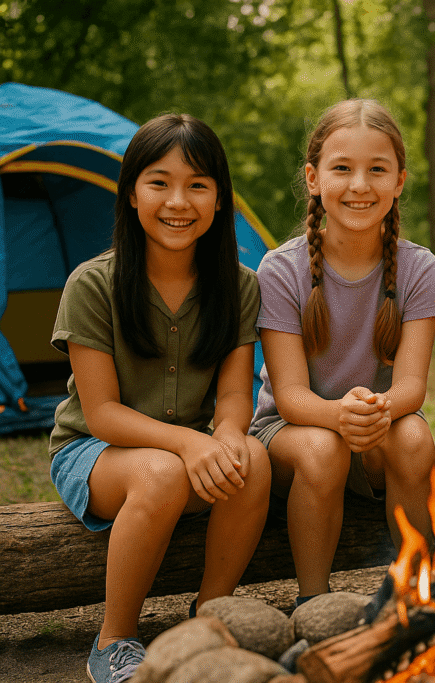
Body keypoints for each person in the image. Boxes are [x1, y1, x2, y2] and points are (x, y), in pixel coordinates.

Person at [48, 113, 271, 683]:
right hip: (95, 451)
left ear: (219, 199)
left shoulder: (240, 285)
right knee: (162, 473)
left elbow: (234, 393)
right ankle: (113, 640)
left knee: (252, 457)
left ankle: (209, 617)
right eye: (159, 182)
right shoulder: (92, 284)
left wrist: (225, 434)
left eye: (197, 184)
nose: (178, 201)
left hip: (186, 448)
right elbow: (101, 413)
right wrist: (188, 445)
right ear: (131, 193)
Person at [250, 99, 435, 606]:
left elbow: (411, 388)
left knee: (415, 438)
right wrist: (340, 415)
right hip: (293, 436)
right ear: (313, 178)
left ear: (399, 181)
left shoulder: (420, 269)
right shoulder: (281, 270)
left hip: (378, 427)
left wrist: (374, 410)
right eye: (342, 169)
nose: (360, 185)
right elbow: (290, 397)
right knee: (324, 448)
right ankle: (314, 602)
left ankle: (417, 594)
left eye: (377, 170)